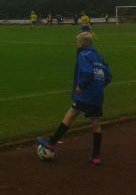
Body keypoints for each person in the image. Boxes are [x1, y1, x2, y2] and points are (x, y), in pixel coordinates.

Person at [36, 32, 112, 165]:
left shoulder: (83, 54)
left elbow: (87, 72)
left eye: (78, 42)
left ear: (83, 43)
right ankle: (96, 157)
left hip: (86, 94)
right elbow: (108, 75)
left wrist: (81, 87)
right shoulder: (98, 56)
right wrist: (99, 86)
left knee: (70, 114)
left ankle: (52, 143)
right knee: (95, 122)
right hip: (97, 94)